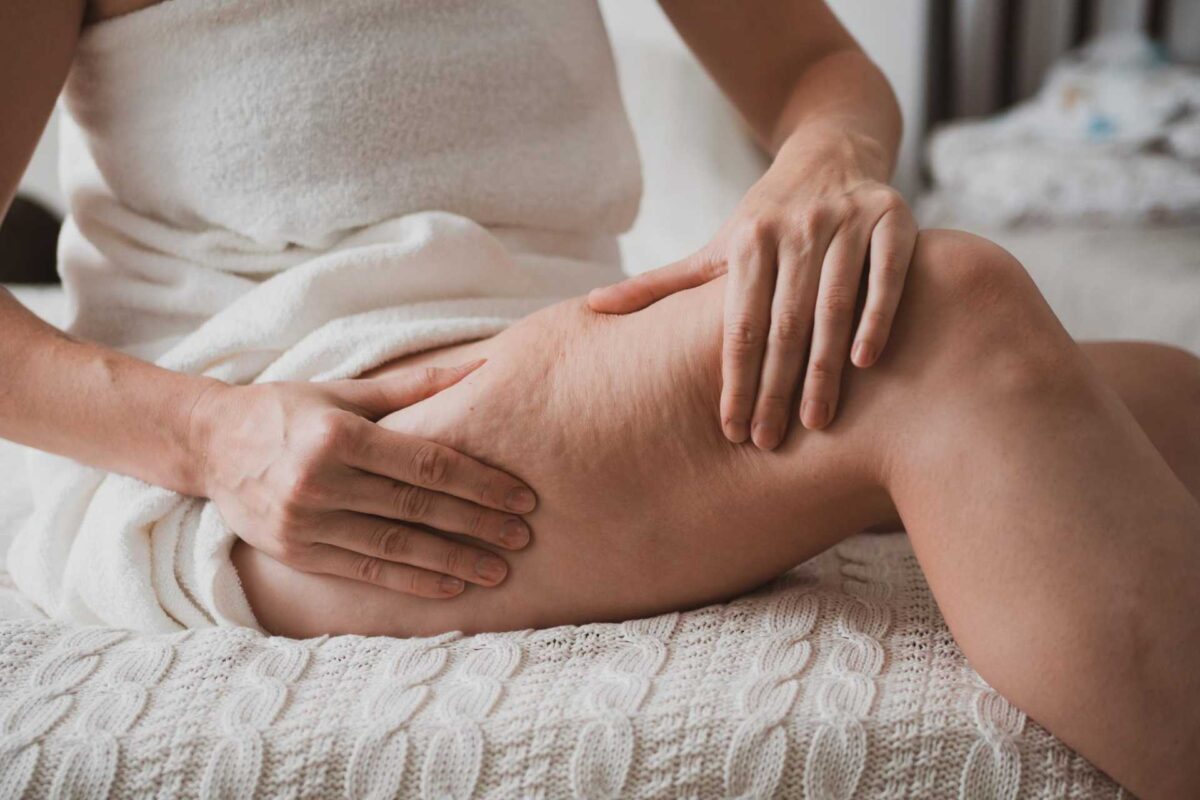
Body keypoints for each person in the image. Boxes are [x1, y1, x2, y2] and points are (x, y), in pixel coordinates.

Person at [1, 2, 1197, 796]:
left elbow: (814, 69)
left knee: (1174, 399)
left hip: (564, 360)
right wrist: (218, 439)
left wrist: (829, 157)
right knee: (946, 324)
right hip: (322, 435)